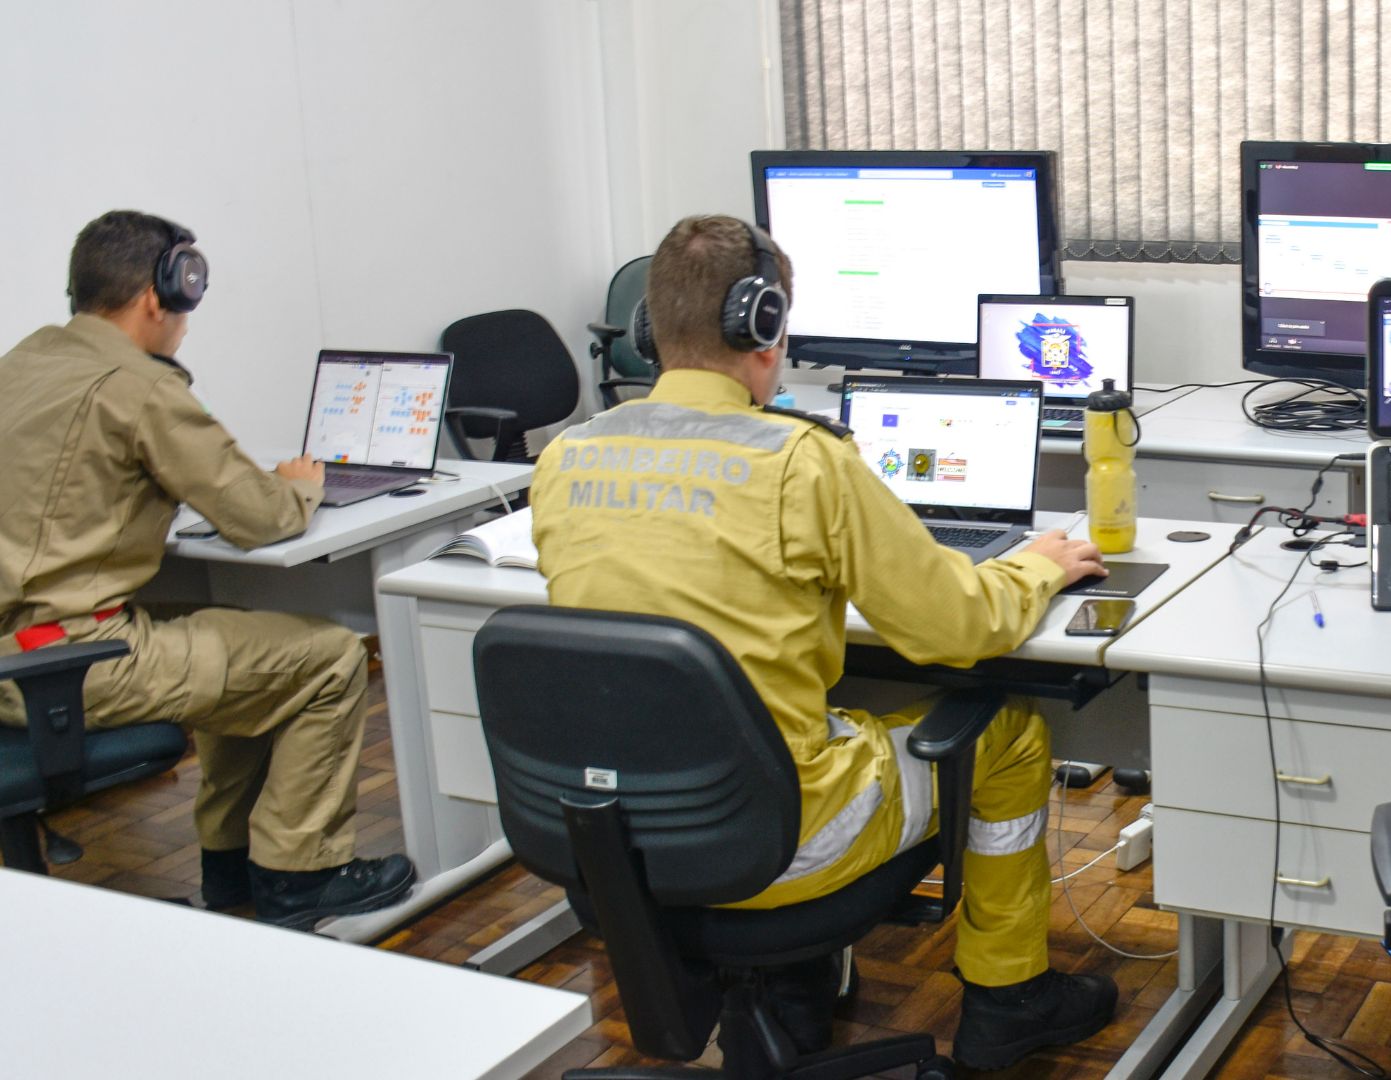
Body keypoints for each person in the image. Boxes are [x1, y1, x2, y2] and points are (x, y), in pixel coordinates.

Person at [528, 214, 1117, 1070]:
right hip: (785, 837)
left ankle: (791, 991)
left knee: (799, 708)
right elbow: (958, 628)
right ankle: (1007, 995)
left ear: (651, 332)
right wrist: (1038, 568)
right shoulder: (803, 462)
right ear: (765, 328)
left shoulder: (566, 460)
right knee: (1011, 733)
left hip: (614, 832)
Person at [0, 211, 415, 928]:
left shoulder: (25, 362)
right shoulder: (139, 386)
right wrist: (301, 481)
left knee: (246, 642)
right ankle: (301, 874)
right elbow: (263, 517)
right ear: (159, 294)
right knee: (328, 659)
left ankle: (230, 863)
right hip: (73, 661)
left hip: (21, 655)